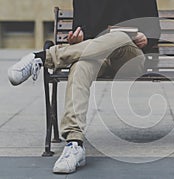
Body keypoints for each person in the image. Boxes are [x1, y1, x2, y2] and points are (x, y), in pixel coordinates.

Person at [8, 0, 160, 174]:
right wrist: (77, 38)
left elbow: (154, 29)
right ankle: (74, 144)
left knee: (121, 37)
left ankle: (44, 57)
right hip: (97, 54)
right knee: (80, 66)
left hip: (130, 58)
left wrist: (146, 38)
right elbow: (82, 31)